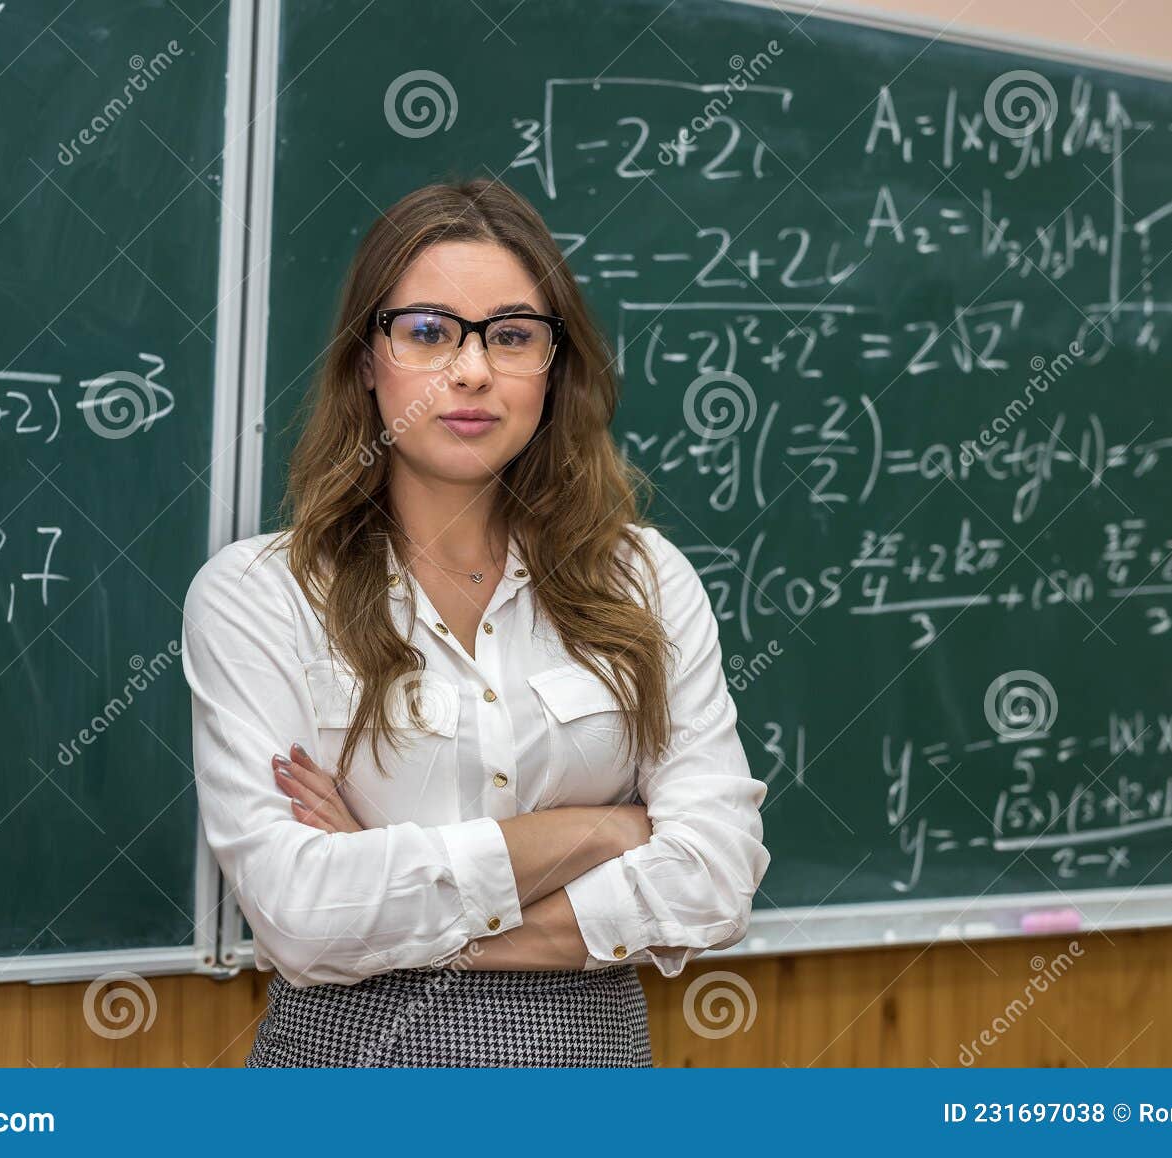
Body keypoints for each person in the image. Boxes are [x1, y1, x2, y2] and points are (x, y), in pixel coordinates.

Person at [180, 176, 769, 1067]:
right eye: (428, 331)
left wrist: (390, 887)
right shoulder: (259, 596)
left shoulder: (644, 579)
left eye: (513, 336)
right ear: (367, 359)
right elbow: (299, 915)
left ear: (553, 367)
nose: (472, 370)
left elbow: (717, 879)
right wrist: (602, 830)